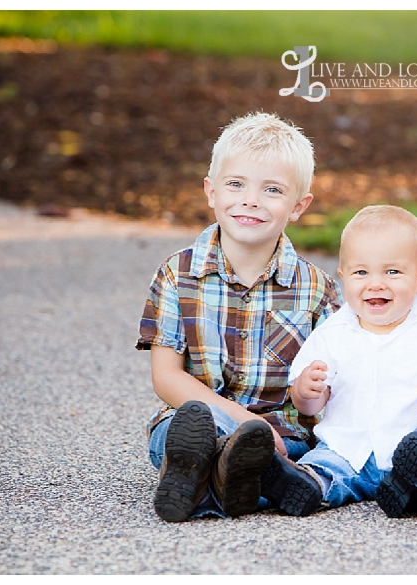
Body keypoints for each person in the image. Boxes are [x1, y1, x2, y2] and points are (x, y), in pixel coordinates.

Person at [136, 112, 341, 522]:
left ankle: (207, 486)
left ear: (299, 205)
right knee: (174, 435)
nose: (250, 200)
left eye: (272, 190)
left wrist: (311, 395)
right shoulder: (178, 274)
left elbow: (332, 380)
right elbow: (167, 377)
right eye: (236, 185)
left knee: (292, 455)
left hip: (284, 434)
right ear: (211, 191)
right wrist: (242, 421)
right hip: (198, 419)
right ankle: (230, 476)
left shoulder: (316, 288)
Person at [260, 205, 417, 516]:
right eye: (361, 272)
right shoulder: (333, 331)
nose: (376, 283)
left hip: (411, 453)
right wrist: (307, 391)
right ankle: (307, 486)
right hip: (346, 450)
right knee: (324, 466)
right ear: (343, 277)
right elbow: (307, 405)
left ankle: (410, 489)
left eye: (392, 272)